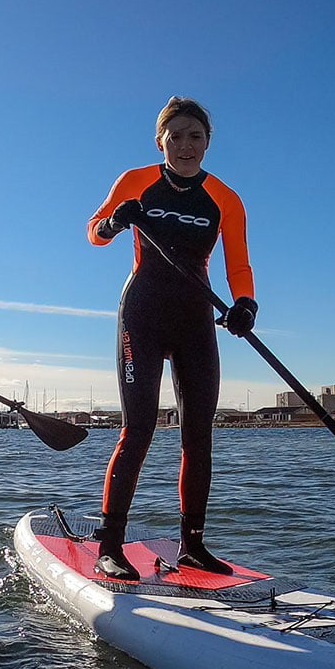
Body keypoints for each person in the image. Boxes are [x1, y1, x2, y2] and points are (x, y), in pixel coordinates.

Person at [87, 96, 257, 580]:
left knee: (198, 436)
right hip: (140, 316)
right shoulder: (136, 181)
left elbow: (238, 264)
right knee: (137, 430)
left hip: (195, 321)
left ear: (208, 141)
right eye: (175, 136)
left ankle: (192, 546)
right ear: (160, 140)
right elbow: (94, 232)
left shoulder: (225, 198)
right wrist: (117, 220)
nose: (185, 145)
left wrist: (245, 303)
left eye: (195, 136)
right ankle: (111, 544)